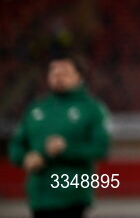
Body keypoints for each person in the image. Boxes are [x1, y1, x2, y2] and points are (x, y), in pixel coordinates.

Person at [8, 54, 111, 218]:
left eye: (64, 72)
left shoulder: (92, 109)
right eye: (54, 72)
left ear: (80, 77)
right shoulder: (37, 108)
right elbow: (16, 146)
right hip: (39, 194)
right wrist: (25, 158)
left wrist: (67, 149)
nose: (58, 77)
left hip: (73, 195)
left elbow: (101, 149)